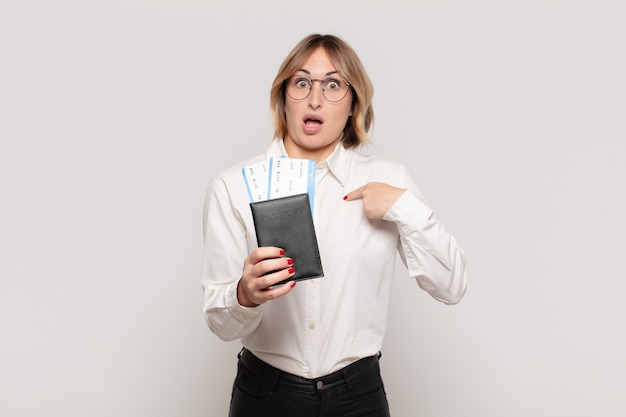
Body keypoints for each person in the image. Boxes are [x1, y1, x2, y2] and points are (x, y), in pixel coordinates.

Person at [202, 34, 467, 417]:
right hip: (266, 394)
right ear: (283, 97)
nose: (315, 99)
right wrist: (245, 294)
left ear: (353, 104)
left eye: (333, 85)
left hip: (358, 396)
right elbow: (221, 325)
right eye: (301, 82)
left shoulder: (388, 179)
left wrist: (402, 207)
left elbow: (451, 286)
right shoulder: (232, 186)